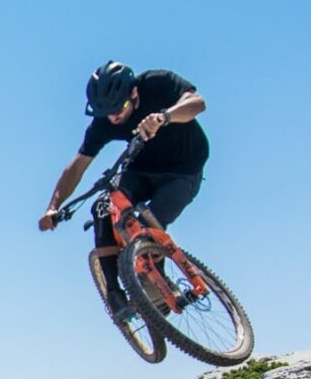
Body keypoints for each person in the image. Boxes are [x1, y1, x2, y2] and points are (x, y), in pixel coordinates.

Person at [39, 61, 208, 318]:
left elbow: (197, 104)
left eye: (119, 109)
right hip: (142, 170)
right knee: (102, 209)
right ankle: (115, 294)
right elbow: (77, 167)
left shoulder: (157, 82)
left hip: (184, 171)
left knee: (150, 225)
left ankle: (157, 281)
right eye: (107, 113)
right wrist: (53, 207)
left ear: (134, 93)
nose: (114, 117)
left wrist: (164, 117)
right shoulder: (104, 123)